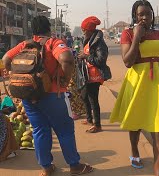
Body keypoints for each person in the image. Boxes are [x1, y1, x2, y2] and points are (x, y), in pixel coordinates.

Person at [2, 16, 93, 176]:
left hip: (29, 96)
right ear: (48, 29)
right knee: (65, 130)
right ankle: (74, 166)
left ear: (33, 30)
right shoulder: (53, 43)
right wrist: (64, 79)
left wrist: (16, 75)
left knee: (39, 131)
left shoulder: (25, 44)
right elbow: (66, 59)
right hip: (53, 95)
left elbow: (6, 59)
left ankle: (46, 168)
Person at [110, 0, 159, 176]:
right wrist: (137, 36)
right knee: (135, 124)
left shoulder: (158, 34)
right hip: (136, 82)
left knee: (158, 130)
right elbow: (128, 62)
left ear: (153, 15)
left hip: (155, 83)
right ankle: (134, 150)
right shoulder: (128, 33)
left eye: (148, 14)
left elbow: (157, 60)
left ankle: (158, 173)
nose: (144, 17)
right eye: (140, 14)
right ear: (135, 16)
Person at [78, 16, 108, 133]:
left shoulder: (99, 42)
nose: (83, 32)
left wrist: (86, 57)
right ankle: (89, 119)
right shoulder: (88, 39)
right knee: (84, 96)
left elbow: (101, 60)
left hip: (95, 76)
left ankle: (97, 125)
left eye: (84, 30)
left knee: (93, 100)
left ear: (90, 31)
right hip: (87, 75)